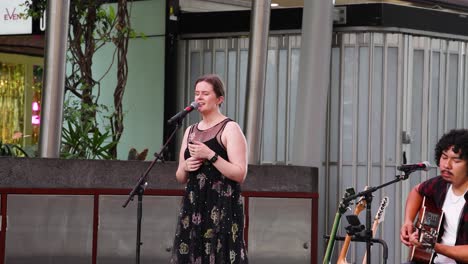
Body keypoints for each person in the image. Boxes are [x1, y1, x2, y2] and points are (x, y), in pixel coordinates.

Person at [170, 74, 249, 264]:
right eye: (197, 93)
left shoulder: (230, 128)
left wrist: (210, 155)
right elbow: (180, 176)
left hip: (222, 203)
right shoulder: (190, 130)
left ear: (219, 99)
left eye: (205, 93)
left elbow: (240, 173)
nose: (199, 98)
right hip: (194, 203)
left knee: (221, 254)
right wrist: (185, 166)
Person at [400, 129, 468, 264]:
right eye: (444, 157)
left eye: (456, 160)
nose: (446, 165)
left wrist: (432, 245)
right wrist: (408, 221)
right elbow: (417, 191)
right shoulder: (440, 185)